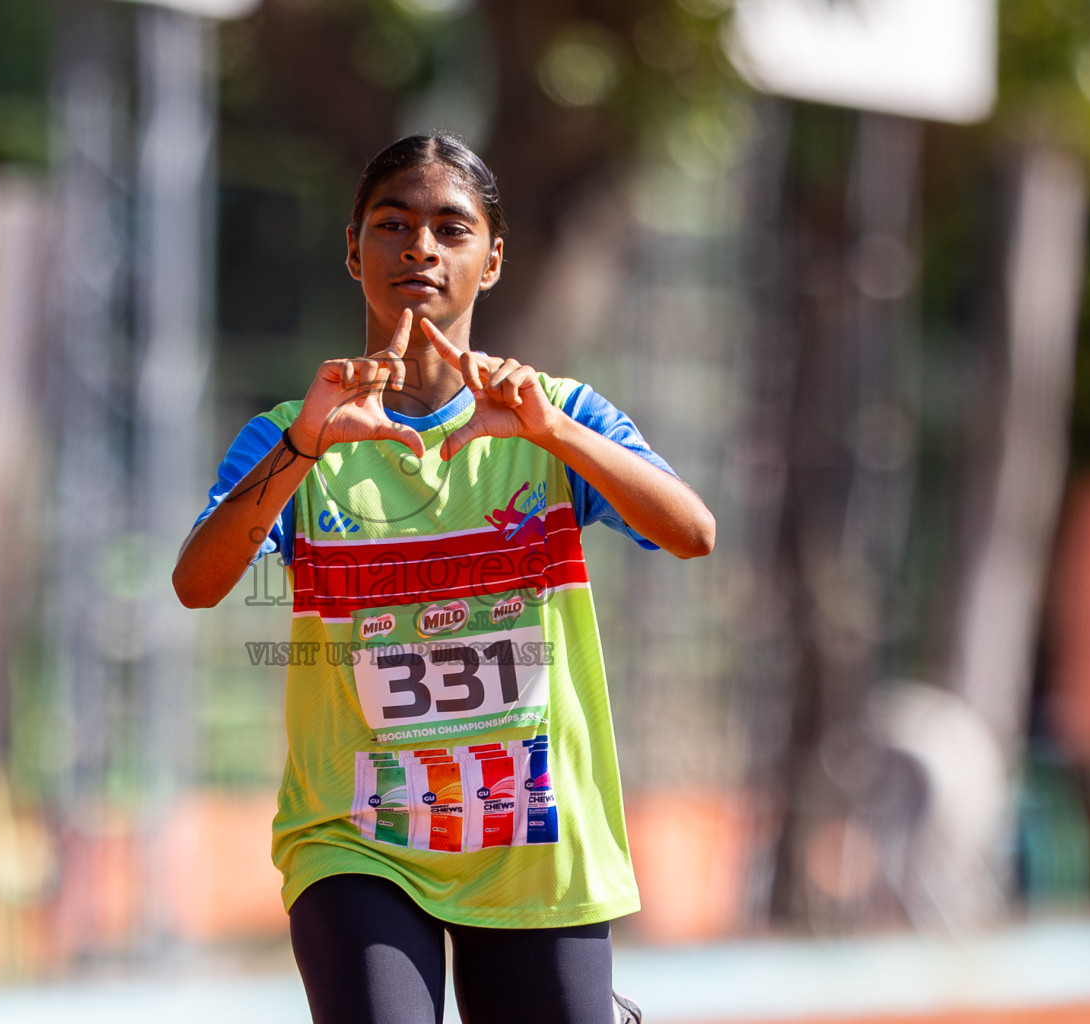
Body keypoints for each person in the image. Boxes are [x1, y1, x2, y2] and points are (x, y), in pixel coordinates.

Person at [174, 133, 715, 1024]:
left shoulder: (558, 415)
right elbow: (197, 583)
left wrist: (556, 439)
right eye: (393, 224)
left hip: (534, 838)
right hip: (359, 840)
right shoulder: (292, 431)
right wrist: (306, 447)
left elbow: (693, 532)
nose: (420, 246)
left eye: (450, 228)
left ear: (492, 260)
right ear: (353, 250)